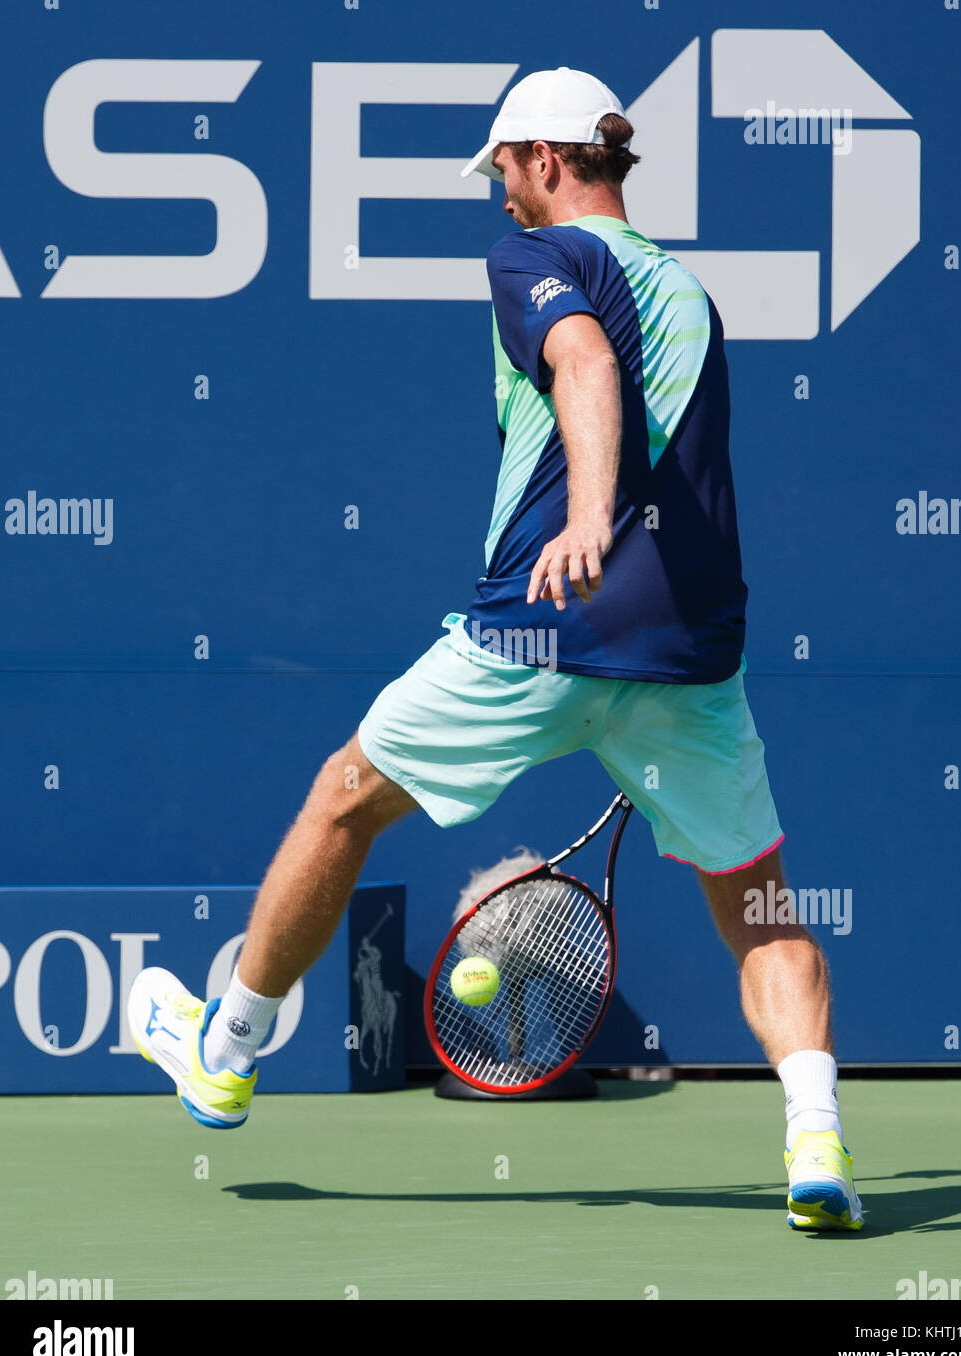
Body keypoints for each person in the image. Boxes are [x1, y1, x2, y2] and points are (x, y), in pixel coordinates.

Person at [129, 67, 863, 1233]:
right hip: (688, 652)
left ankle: (225, 1050)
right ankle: (815, 1138)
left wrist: (585, 514)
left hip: (543, 621)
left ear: (543, 157)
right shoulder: (688, 291)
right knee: (757, 902)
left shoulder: (538, 258)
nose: (501, 197)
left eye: (505, 171)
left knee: (342, 799)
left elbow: (581, 363)